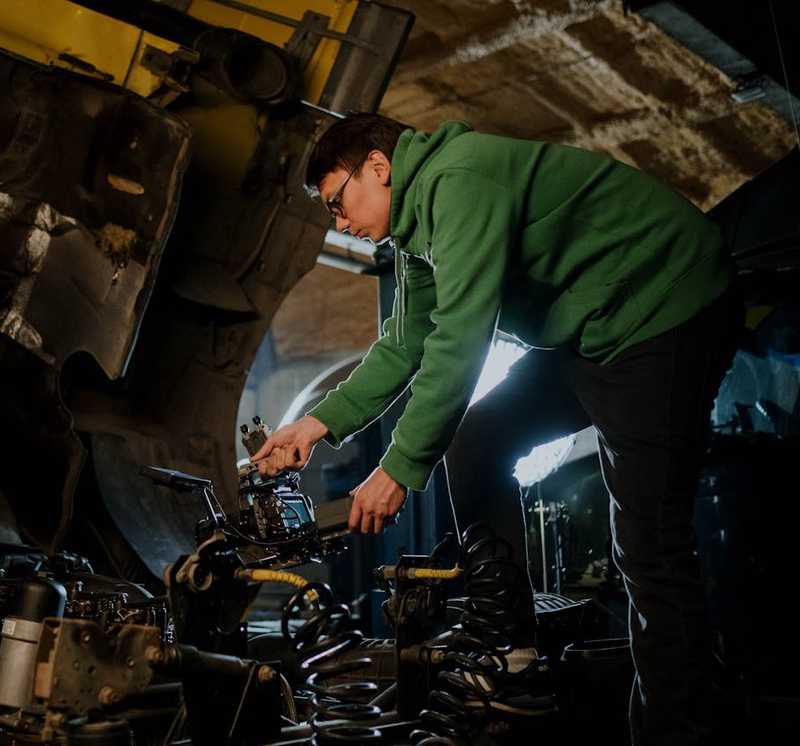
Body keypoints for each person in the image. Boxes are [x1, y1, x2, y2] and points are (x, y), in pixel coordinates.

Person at [254, 114, 741, 745]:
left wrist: (399, 467)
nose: (340, 224)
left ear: (378, 167)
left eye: (337, 204)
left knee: (649, 544)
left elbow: (461, 337)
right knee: (476, 436)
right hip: (591, 328)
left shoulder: (461, 181)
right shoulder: (416, 227)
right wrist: (315, 424)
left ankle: (679, 729)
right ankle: (510, 650)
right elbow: (407, 342)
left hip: (663, 308)